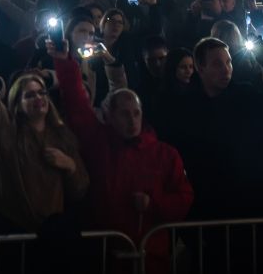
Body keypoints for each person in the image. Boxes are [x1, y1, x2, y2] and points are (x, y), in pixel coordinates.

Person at [51, 46, 193, 266]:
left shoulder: (164, 154)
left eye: (136, 113)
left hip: (150, 258)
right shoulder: (98, 142)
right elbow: (77, 103)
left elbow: (184, 198)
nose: (132, 120)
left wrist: (153, 204)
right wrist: (64, 62)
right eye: (124, 114)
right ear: (110, 116)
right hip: (105, 256)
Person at [0, 31, 89, 233]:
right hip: (13, 231)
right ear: (18, 103)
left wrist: (70, 166)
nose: (38, 98)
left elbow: (80, 189)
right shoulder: (7, 132)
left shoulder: (61, 135)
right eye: (30, 95)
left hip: (54, 234)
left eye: (42, 92)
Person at [165, 37, 263, 219]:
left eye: (228, 62)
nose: (226, 69)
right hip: (210, 205)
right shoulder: (186, 109)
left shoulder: (245, 96)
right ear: (200, 68)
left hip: (251, 198)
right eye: (217, 64)